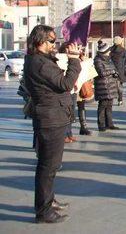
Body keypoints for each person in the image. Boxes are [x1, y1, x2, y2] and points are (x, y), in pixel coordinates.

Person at [24, 25, 81, 224]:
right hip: (50, 119)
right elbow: (65, 84)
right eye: (51, 41)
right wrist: (74, 61)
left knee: (51, 165)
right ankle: (43, 210)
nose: (54, 44)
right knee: (48, 166)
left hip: (52, 116)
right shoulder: (40, 63)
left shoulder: (40, 60)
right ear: (40, 41)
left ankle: (48, 201)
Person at [93, 41, 121, 132]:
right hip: (103, 86)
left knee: (109, 106)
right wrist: (112, 72)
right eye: (108, 50)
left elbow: (113, 69)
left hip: (111, 85)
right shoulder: (98, 60)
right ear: (104, 51)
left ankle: (110, 124)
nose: (110, 52)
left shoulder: (108, 59)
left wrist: (116, 73)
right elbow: (101, 73)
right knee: (102, 105)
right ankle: (101, 125)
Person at [110, 36, 126, 106]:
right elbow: (125, 61)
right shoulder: (123, 50)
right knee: (120, 86)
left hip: (112, 70)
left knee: (111, 85)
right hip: (121, 71)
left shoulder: (110, 50)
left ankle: (111, 99)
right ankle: (120, 100)